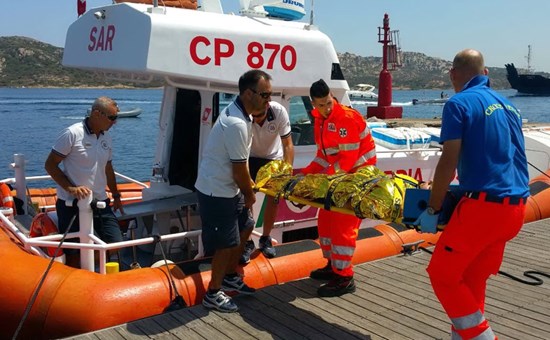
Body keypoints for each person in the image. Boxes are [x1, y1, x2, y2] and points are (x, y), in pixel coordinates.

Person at [415, 49, 529, 339]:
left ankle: (482, 337)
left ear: (453, 74)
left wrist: (433, 208)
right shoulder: (509, 107)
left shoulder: (458, 103)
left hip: (484, 210)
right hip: (515, 209)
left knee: (441, 275)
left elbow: (448, 160)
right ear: (486, 74)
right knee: (470, 278)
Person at [195, 69, 273, 312]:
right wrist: (250, 195)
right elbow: (239, 169)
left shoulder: (244, 115)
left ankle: (230, 276)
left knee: (247, 225)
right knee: (226, 243)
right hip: (216, 191)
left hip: (229, 189)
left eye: (270, 95)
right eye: (265, 95)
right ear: (248, 93)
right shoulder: (237, 123)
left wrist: (244, 193)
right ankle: (213, 293)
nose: (268, 100)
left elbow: (241, 165)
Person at [302, 79, 377, 297]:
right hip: (340, 177)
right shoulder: (320, 121)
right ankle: (332, 265)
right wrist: (306, 174)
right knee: (325, 219)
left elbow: (348, 159)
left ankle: (344, 278)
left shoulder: (345, 117)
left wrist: (324, 179)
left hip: (358, 176)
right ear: (313, 104)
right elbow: (323, 157)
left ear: (331, 96)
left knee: (343, 225)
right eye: (321, 105)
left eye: (328, 103)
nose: (326, 108)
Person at [45, 96, 125, 268]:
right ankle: (81, 281)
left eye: (116, 118)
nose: (114, 122)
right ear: (96, 113)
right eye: (112, 117)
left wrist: (116, 195)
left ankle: (96, 277)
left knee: (116, 244)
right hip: (71, 204)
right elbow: (50, 165)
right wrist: (71, 188)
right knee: (81, 250)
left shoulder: (106, 138)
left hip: (101, 203)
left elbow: (108, 168)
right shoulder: (72, 134)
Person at [240, 100, 294, 263]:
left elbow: (288, 144)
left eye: (260, 116)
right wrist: (246, 177)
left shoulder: (279, 111)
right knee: (246, 198)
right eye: (254, 116)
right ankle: (247, 242)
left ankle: (266, 238)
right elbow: (240, 148)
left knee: (274, 198)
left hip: (272, 158)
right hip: (249, 156)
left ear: (267, 107)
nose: (257, 120)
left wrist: (287, 171)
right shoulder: (244, 114)